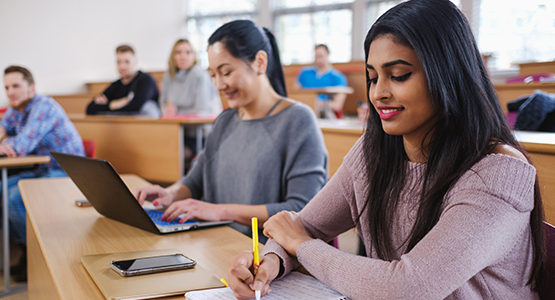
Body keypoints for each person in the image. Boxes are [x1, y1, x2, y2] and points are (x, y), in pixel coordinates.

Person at [226, 0, 545, 299]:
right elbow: (307, 225)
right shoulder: (375, 150)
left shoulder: (498, 172)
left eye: (399, 76)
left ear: (448, 73)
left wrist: (301, 245)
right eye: (372, 77)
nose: (378, 93)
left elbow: (408, 287)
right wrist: (272, 261)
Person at [135, 20, 328, 244]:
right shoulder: (225, 120)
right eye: (213, 75)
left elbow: (300, 210)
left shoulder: (298, 120)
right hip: (215, 245)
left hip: (264, 259)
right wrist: (170, 193)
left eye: (226, 72)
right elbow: (195, 180)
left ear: (260, 62)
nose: (218, 85)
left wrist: (220, 211)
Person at [1, 65, 85, 282]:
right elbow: (2, 131)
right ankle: (27, 250)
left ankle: (37, 255)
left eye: (16, 86)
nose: (10, 92)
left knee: (12, 197)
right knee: (2, 188)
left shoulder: (44, 106)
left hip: (68, 172)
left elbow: (20, 146)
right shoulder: (16, 109)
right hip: (42, 170)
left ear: (31, 88)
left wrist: (6, 141)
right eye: (7, 87)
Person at [159, 39, 223, 170]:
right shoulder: (168, 76)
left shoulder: (199, 74)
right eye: (178, 52)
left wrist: (177, 113)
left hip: (201, 134)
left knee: (175, 155)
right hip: (177, 132)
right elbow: (162, 103)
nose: (183, 56)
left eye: (188, 52)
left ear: (194, 56)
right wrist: (167, 110)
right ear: (173, 56)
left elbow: (202, 111)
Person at [86, 45, 160, 117]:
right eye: (118, 62)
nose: (122, 66)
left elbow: (135, 107)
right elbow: (90, 109)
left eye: (127, 62)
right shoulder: (116, 85)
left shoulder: (145, 81)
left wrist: (107, 107)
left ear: (135, 62)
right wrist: (114, 104)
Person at [296, 44, 348, 119]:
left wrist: (317, 103)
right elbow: (294, 94)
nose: (318, 60)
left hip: (323, 114)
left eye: (320, 56)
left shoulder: (338, 77)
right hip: (302, 112)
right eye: (316, 57)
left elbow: (337, 105)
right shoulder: (304, 73)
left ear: (328, 55)